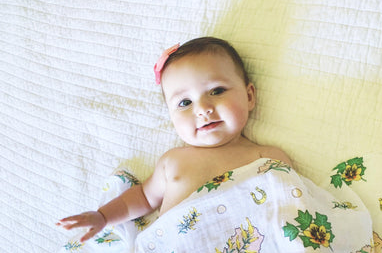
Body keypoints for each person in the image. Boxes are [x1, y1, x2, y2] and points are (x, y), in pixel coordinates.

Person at [57, 37, 292, 242]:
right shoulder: (173, 161)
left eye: (217, 91)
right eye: (185, 103)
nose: (203, 109)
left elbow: (295, 209)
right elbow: (142, 198)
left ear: (249, 96)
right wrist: (104, 216)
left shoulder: (267, 157)